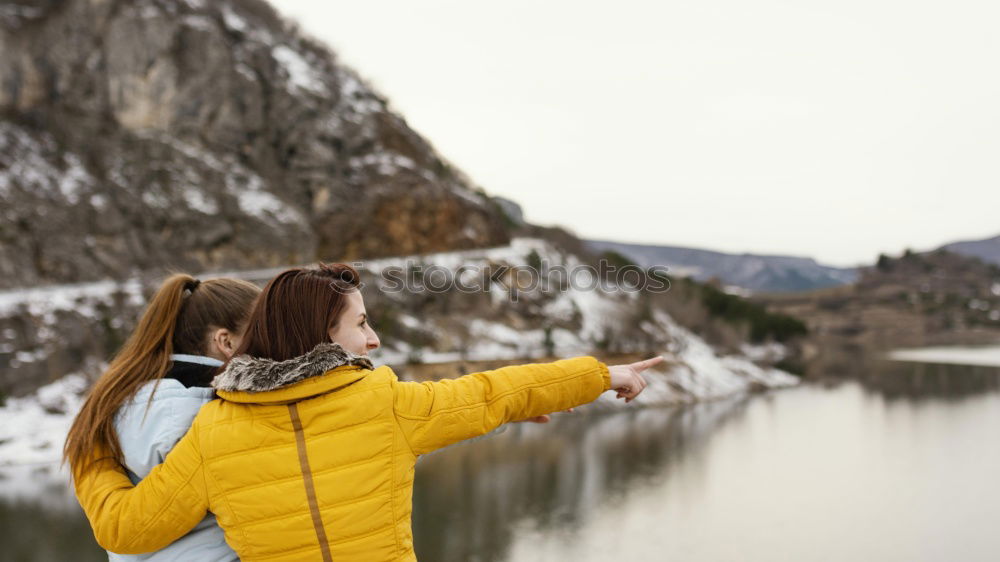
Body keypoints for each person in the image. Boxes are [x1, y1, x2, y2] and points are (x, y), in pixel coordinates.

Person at [72, 263, 662, 561]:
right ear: (320, 333)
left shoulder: (213, 431)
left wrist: (92, 451)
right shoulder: (384, 404)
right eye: (361, 323)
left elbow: (128, 528)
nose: (374, 341)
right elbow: (493, 393)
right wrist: (602, 376)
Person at [63, 274, 261, 561]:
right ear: (226, 342)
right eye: (263, 333)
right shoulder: (205, 414)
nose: (274, 345)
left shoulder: (124, 401)